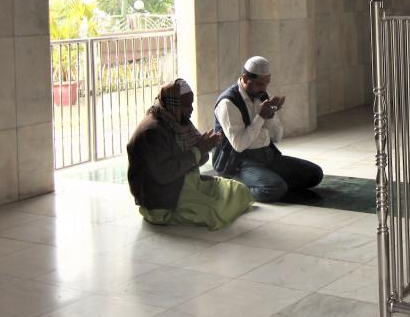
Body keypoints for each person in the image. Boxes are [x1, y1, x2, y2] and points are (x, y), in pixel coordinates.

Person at [127, 78, 254, 230]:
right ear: (173, 104)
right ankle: (163, 214)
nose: (191, 109)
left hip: (186, 182)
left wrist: (205, 147)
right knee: (215, 212)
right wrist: (199, 149)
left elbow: (195, 158)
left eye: (191, 103)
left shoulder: (178, 121)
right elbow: (165, 173)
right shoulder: (152, 132)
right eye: (186, 105)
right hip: (163, 196)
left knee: (240, 190)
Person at [212, 56, 323, 202]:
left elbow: (277, 137)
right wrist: (261, 116)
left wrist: (271, 116)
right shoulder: (228, 103)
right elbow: (239, 145)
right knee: (275, 188)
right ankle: (234, 184)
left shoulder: (262, 95)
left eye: (266, 84)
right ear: (245, 79)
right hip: (239, 162)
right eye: (259, 84)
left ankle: (264, 178)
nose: (264, 88)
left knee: (314, 174)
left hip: (267, 156)